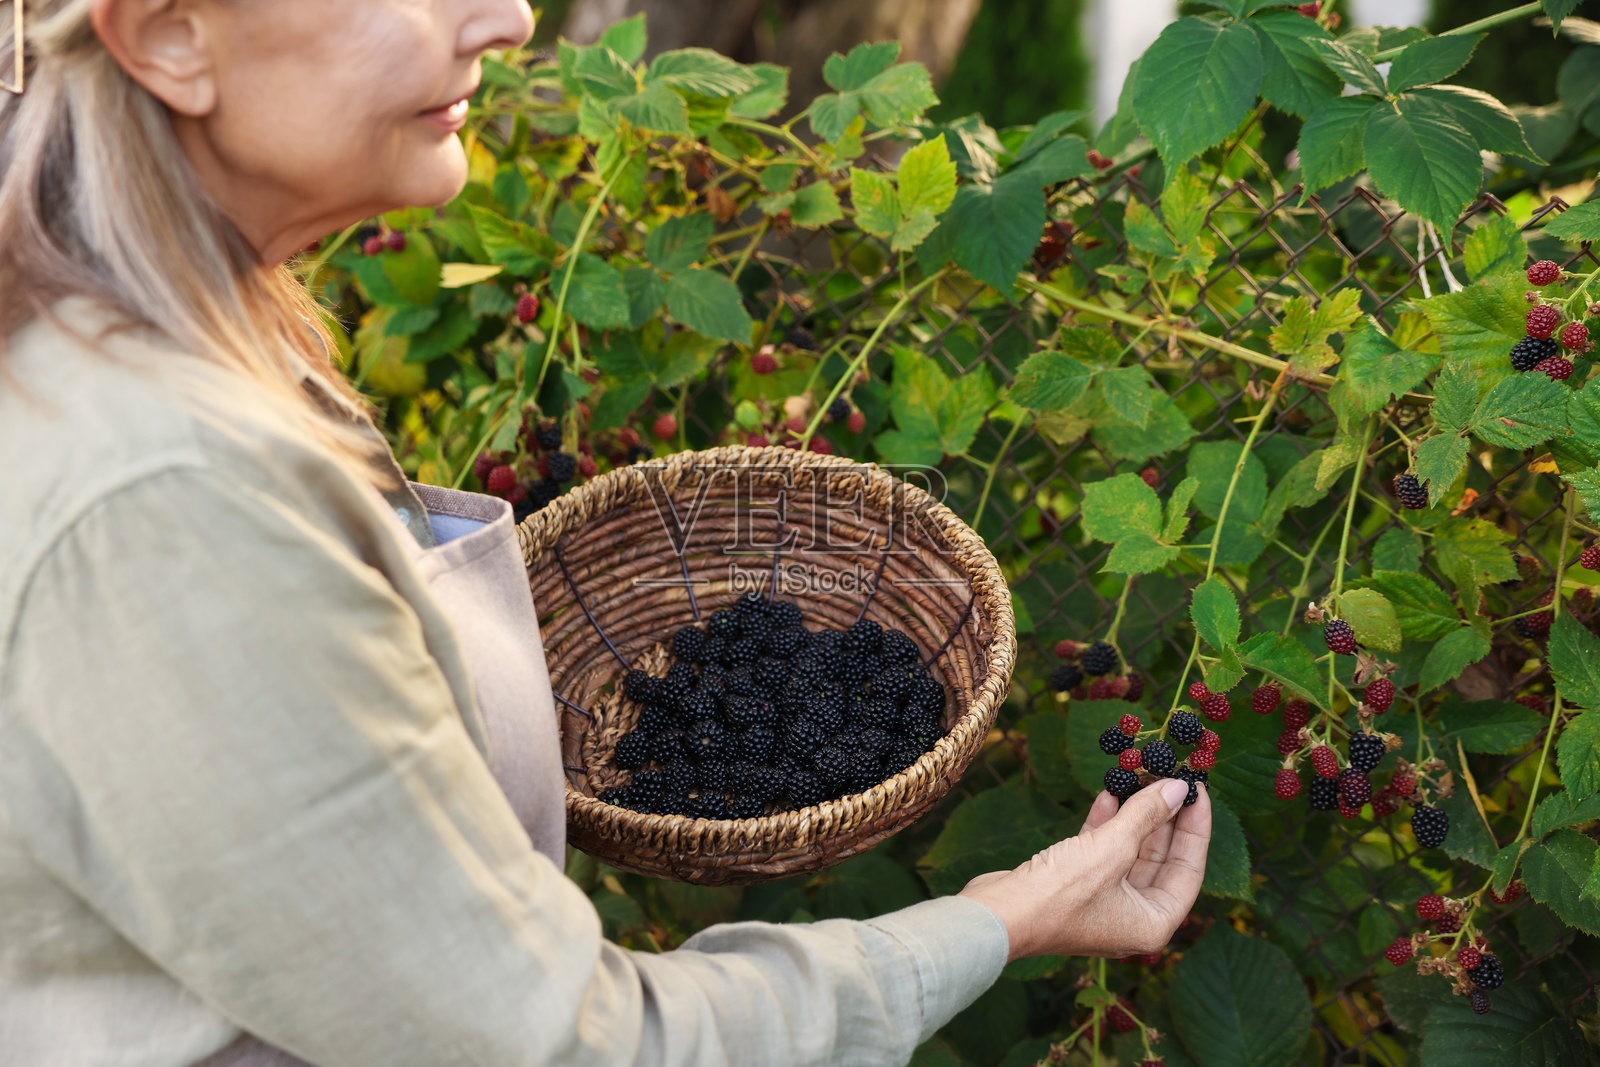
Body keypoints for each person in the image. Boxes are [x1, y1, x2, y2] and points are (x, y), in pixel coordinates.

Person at [0, 2, 1213, 1065]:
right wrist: (1002, 915)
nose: (509, 19)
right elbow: (561, 1042)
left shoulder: (177, 351)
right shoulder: (170, 501)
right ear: (168, 34)